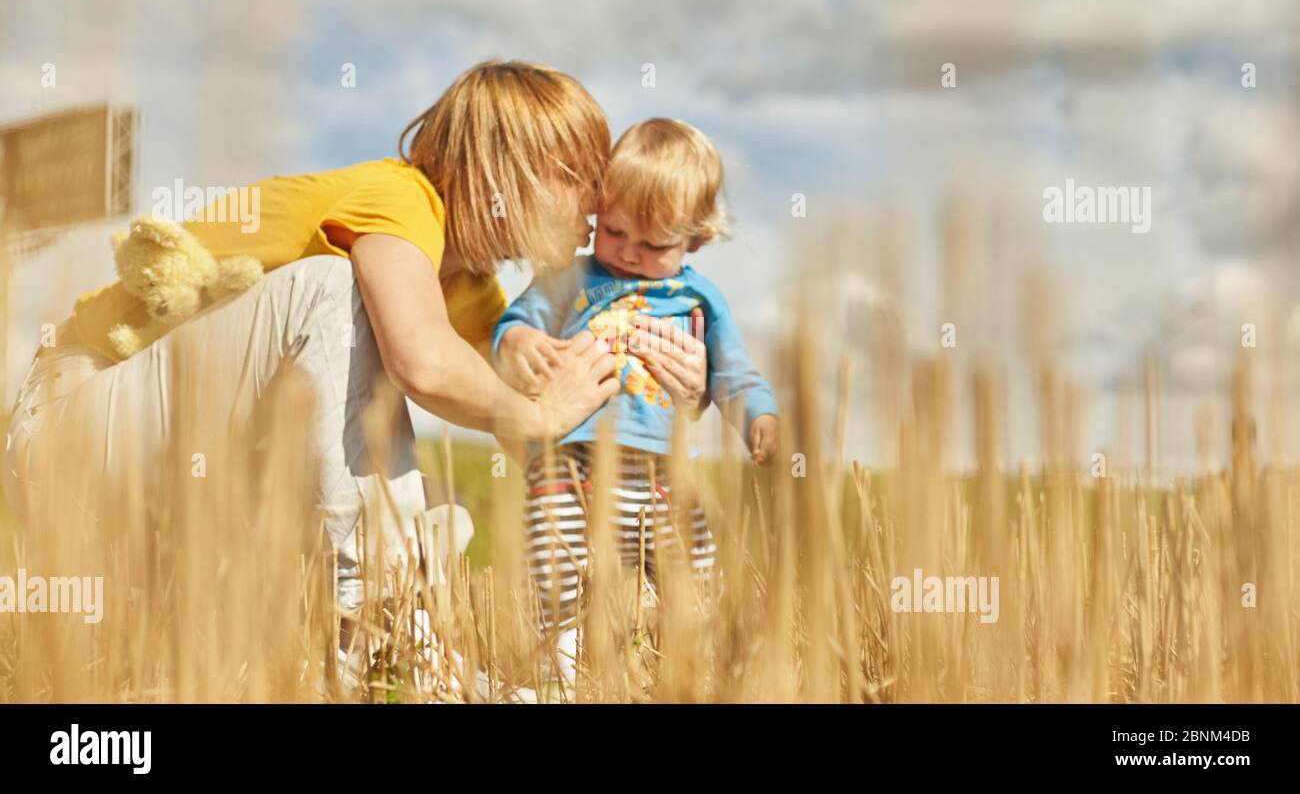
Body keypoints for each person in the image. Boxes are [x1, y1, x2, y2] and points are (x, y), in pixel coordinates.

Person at [2, 62, 712, 624]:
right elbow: (424, 362)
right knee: (334, 291)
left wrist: (665, 405)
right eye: (579, 177)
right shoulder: (399, 201)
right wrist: (531, 412)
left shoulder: (471, 290)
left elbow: (547, 442)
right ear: (510, 168)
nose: (596, 204)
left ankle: (379, 634)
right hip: (68, 430)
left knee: (418, 433)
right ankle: (382, 609)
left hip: (160, 483)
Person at [492, 118, 779, 683]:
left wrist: (760, 418)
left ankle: (693, 678)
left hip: (661, 479)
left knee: (693, 584)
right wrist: (520, 340)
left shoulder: (698, 296)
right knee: (555, 578)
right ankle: (558, 680)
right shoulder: (568, 278)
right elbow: (512, 324)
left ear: (696, 239)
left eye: (654, 244)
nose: (627, 253)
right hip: (565, 469)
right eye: (614, 232)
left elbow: (734, 373)